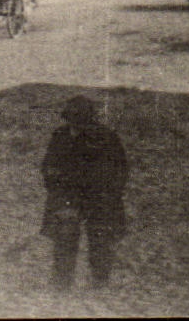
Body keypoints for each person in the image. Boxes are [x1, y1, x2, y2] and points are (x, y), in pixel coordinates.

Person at [41, 95, 128, 290]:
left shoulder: (106, 138)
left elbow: (119, 171)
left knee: (101, 240)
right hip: (68, 197)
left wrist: (107, 195)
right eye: (72, 118)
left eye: (81, 118)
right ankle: (61, 284)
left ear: (90, 118)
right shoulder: (60, 136)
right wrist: (59, 191)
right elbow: (48, 167)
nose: (76, 123)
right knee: (64, 237)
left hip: (100, 197)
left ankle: (100, 282)